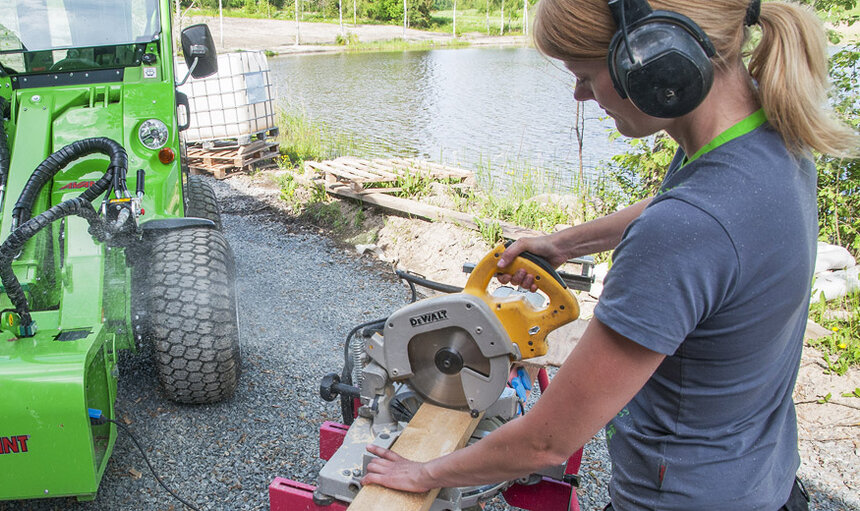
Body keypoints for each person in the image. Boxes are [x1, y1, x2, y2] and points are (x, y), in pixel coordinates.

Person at [359, 0, 858, 509]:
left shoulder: (685, 230)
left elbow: (547, 440)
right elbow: (677, 202)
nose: (579, 95)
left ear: (653, 62)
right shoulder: (772, 142)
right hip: (762, 479)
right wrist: (564, 244)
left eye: (585, 75)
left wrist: (422, 472)